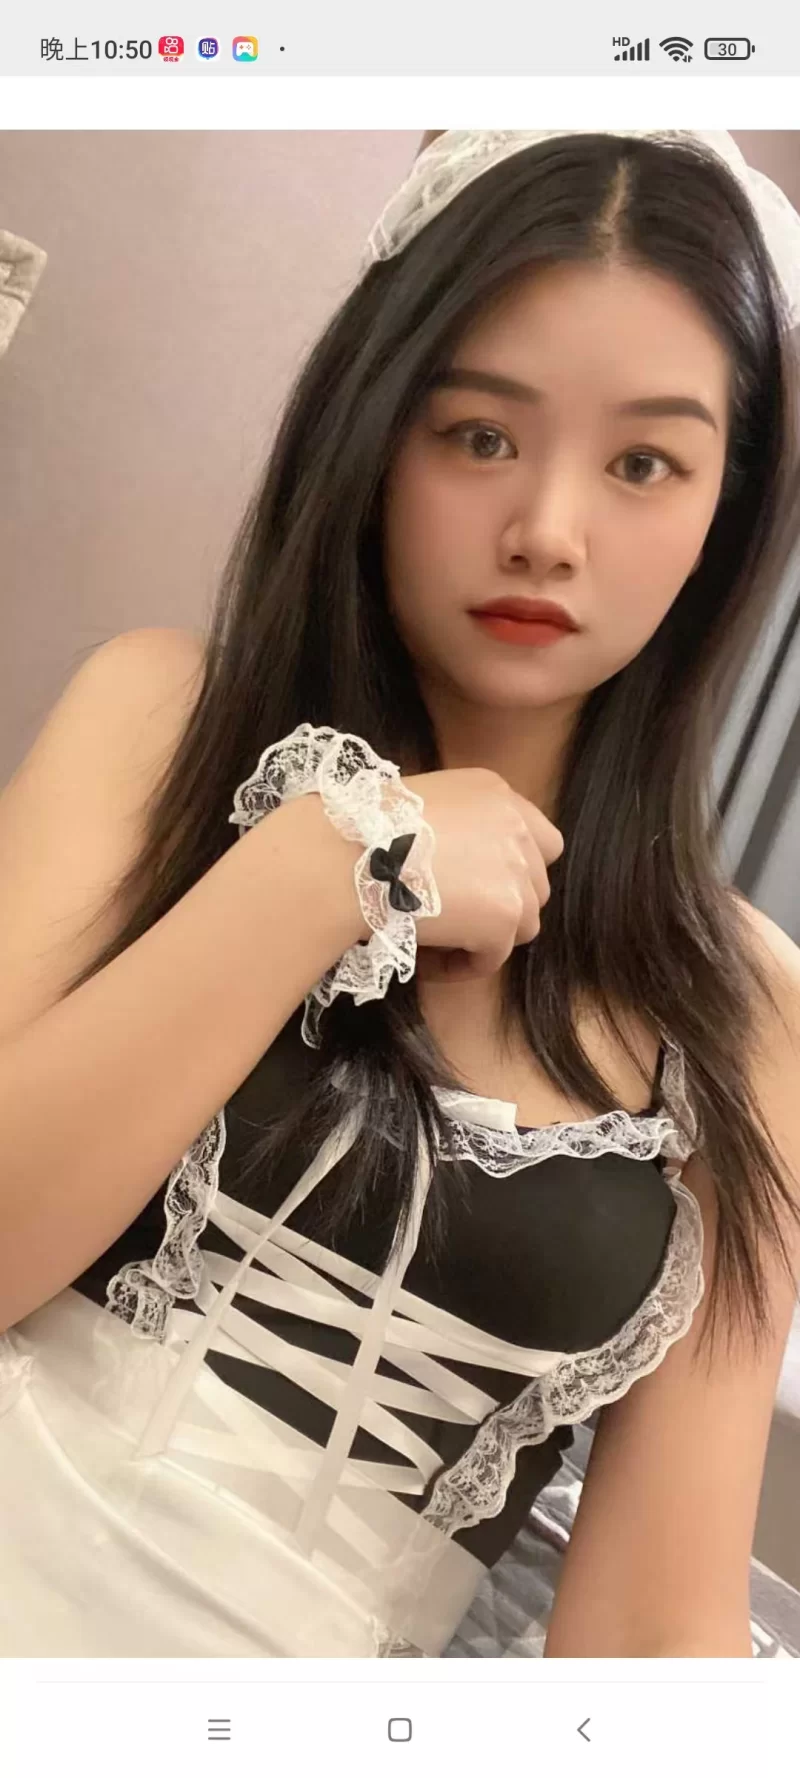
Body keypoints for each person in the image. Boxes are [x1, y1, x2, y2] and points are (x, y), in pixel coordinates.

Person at [1, 128, 800, 1660]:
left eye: (644, 462)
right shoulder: (162, 725)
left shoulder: (747, 1013)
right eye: (480, 434)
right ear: (376, 426)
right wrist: (335, 863)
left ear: (730, 502)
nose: (547, 529)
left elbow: (653, 1632)